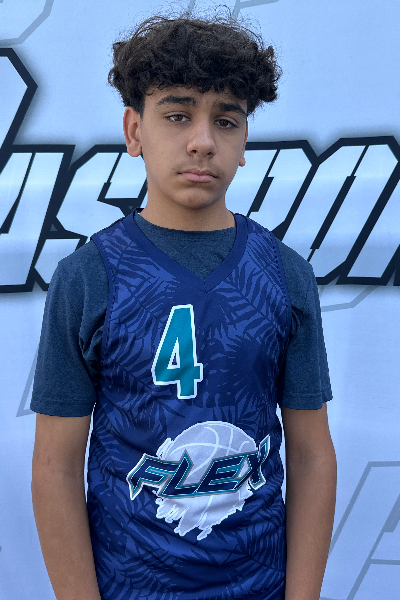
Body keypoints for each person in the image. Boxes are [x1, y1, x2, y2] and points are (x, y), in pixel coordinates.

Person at [30, 11, 337, 600]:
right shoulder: (87, 277)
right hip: (128, 585)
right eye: (177, 115)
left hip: (259, 584)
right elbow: (55, 467)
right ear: (134, 131)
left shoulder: (284, 274)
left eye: (226, 120)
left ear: (244, 142)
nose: (202, 140)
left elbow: (310, 455)